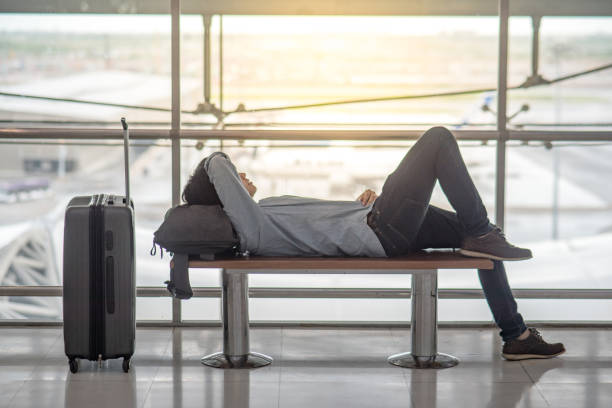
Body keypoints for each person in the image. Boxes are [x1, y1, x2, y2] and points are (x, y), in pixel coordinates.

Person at [182, 126, 565, 361]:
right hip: (383, 231)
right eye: (236, 176)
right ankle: (483, 233)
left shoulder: (263, 209)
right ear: (223, 195)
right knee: (438, 139)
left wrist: (356, 204)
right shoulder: (252, 228)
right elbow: (217, 164)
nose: (242, 173)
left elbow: (323, 226)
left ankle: (517, 337)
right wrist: (210, 164)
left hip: (377, 219)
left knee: (480, 234)